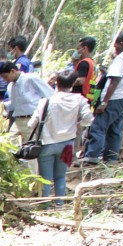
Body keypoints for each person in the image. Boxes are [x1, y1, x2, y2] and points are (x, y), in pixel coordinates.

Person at [30, 71, 93, 200]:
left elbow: (32, 124)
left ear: (57, 83)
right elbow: (89, 119)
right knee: (60, 177)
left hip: (47, 143)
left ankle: (45, 205)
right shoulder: (79, 99)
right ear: (73, 83)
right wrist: (78, 124)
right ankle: (59, 204)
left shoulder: (46, 101)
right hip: (67, 144)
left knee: (45, 179)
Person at [84, 31, 123, 165]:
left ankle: (92, 157)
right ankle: (111, 158)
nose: (116, 50)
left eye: (116, 47)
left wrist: (105, 101)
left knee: (98, 126)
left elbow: (114, 80)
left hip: (115, 97)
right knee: (115, 128)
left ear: (122, 43)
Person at [0, 61, 54, 156]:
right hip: (18, 120)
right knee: (8, 144)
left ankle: (34, 170)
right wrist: (1, 104)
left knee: (31, 149)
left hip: (32, 118)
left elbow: (49, 94)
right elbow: (13, 105)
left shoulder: (30, 78)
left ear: (13, 71)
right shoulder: (10, 86)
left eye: (6, 77)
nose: (5, 80)